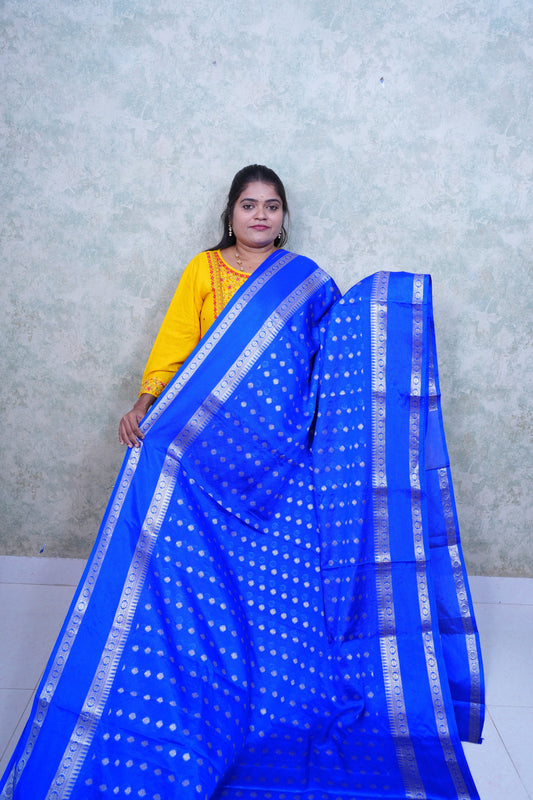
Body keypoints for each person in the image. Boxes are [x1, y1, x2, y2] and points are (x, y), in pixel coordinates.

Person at [1, 166, 484, 800]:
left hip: (277, 442)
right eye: (249, 205)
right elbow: (177, 342)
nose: (260, 215)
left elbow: (332, 354)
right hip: (209, 435)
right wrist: (147, 401)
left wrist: (384, 306)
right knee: (154, 464)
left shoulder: (306, 282)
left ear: (284, 218)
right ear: (229, 213)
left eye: (272, 206)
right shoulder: (202, 271)